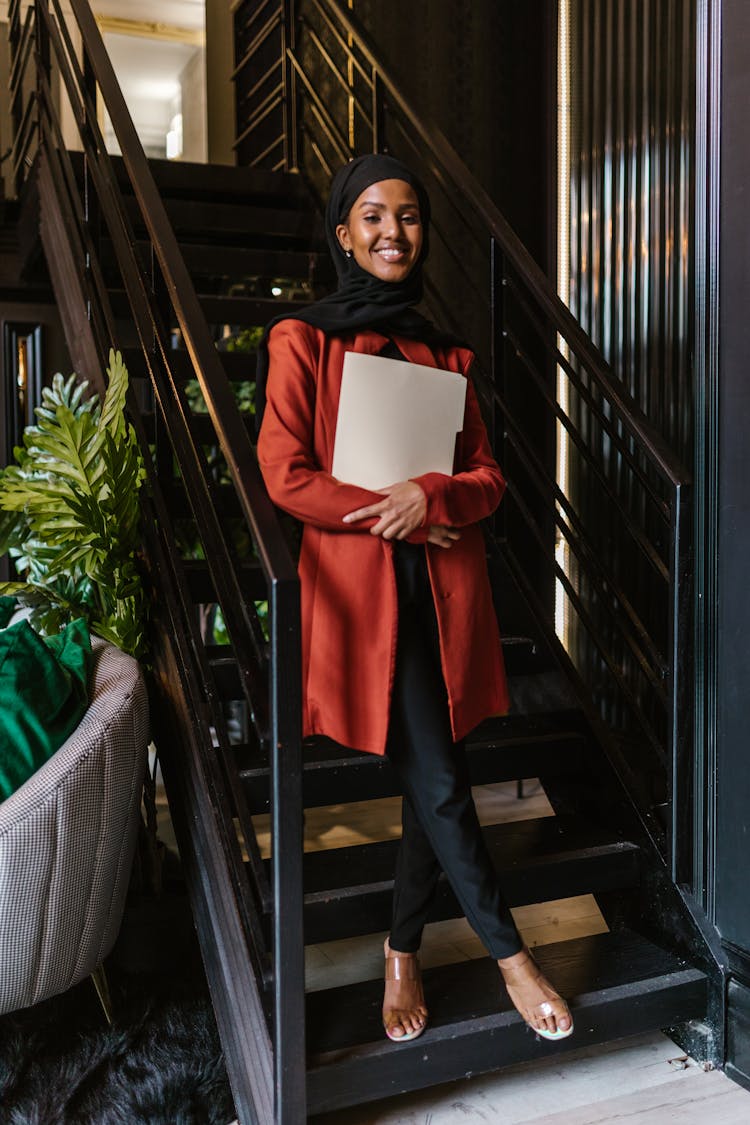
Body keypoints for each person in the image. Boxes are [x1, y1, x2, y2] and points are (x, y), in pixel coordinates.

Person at [257, 153, 573, 1044]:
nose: (393, 231)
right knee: (438, 779)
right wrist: (384, 511)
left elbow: (488, 479)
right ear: (343, 233)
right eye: (373, 215)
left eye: (409, 216)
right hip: (365, 604)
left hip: (441, 594)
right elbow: (284, 474)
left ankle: (401, 949)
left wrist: (428, 496)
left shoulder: (447, 351)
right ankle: (513, 957)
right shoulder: (302, 339)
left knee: (428, 781)